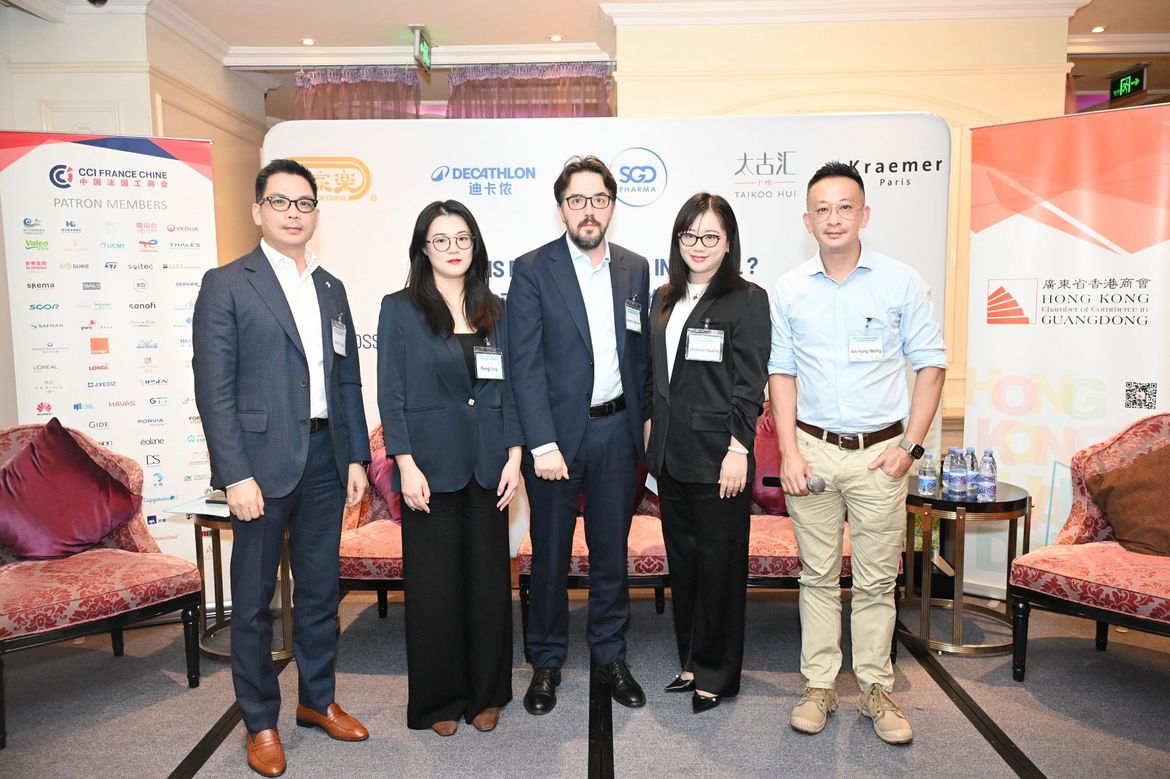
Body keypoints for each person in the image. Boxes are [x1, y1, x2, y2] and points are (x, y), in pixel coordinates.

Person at [193, 158, 372, 778]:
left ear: (316, 214)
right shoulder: (226, 284)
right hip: (259, 468)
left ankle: (317, 700)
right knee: (252, 603)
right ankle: (260, 721)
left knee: (321, 592)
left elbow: (347, 380)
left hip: (326, 459)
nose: (293, 213)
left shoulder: (332, 288)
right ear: (258, 210)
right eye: (280, 201)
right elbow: (214, 391)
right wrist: (234, 474)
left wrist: (356, 456)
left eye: (304, 203)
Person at [768, 161, 947, 745]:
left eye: (845, 207)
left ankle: (875, 688)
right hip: (814, 452)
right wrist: (789, 452)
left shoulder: (900, 282)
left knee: (875, 582)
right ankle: (819, 686)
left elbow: (931, 365)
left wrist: (909, 447)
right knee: (816, 577)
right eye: (822, 209)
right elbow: (782, 373)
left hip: (880, 456)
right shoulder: (789, 289)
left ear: (865, 214)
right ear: (807, 221)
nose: (834, 218)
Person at [508, 155, 651, 715]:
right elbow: (524, 366)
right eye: (577, 200)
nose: (588, 210)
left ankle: (610, 655)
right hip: (556, 444)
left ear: (612, 206)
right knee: (550, 556)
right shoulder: (532, 269)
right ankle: (546, 662)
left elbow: (639, 359)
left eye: (598, 200)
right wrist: (542, 444)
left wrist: (644, 431)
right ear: (561, 207)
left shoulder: (635, 268)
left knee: (611, 553)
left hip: (617, 433)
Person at [376, 200, 522, 737]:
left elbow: (511, 388)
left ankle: (487, 693)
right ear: (424, 248)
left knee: (488, 587)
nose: (453, 249)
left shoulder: (497, 310)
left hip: (490, 465)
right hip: (428, 469)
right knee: (434, 590)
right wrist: (405, 463)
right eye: (441, 240)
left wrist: (515, 456)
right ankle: (439, 699)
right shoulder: (399, 309)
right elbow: (391, 393)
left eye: (462, 238)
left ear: (475, 245)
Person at [644, 193, 770, 713]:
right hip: (670, 455)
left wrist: (739, 448)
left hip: (721, 456)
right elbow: (655, 376)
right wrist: (651, 437)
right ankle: (692, 661)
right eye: (689, 235)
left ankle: (718, 673)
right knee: (687, 566)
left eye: (711, 236)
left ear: (729, 242)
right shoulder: (663, 297)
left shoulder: (747, 298)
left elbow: (750, 383)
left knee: (720, 568)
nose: (699, 245)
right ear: (678, 240)